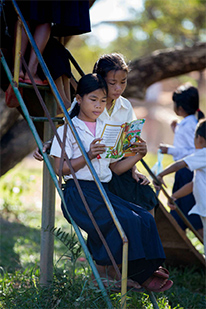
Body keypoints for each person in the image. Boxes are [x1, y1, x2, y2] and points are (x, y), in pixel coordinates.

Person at [50, 73, 173, 292]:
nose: (98, 106)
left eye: (103, 101)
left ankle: (148, 270)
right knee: (125, 220)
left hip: (103, 191)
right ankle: (135, 274)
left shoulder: (108, 129)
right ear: (79, 99)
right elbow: (60, 170)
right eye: (93, 99)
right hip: (79, 193)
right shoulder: (67, 129)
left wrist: (137, 156)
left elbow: (115, 168)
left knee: (143, 216)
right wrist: (87, 155)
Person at [34, 53, 159, 216]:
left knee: (147, 197)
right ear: (100, 80)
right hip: (92, 168)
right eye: (112, 83)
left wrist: (133, 168)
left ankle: (142, 239)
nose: (118, 88)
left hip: (116, 165)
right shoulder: (85, 103)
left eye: (123, 82)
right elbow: (69, 130)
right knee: (117, 212)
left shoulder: (125, 106)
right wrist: (50, 143)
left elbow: (128, 141)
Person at [159, 83, 205, 233]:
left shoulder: (191, 125)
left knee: (190, 215)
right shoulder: (188, 124)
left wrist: (169, 150)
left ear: (179, 108)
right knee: (179, 212)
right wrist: (176, 130)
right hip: (185, 173)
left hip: (187, 171)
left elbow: (192, 151)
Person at [155, 119, 206, 255]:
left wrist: (161, 174)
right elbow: (194, 184)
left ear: (200, 139)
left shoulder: (203, 154)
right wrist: (174, 197)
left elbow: (180, 164)